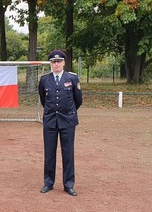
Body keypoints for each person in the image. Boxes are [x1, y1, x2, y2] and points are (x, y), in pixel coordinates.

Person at [38, 50, 83, 197]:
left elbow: (78, 100)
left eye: (58, 61)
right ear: (50, 64)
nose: (56, 64)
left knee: (68, 153)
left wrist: (67, 112)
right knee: (49, 153)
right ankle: (48, 182)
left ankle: (68, 184)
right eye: (53, 62)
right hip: (50, 120)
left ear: (64, 63)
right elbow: (43, 100)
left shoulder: (72, 78)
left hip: (67, 121)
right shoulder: (44, 80)